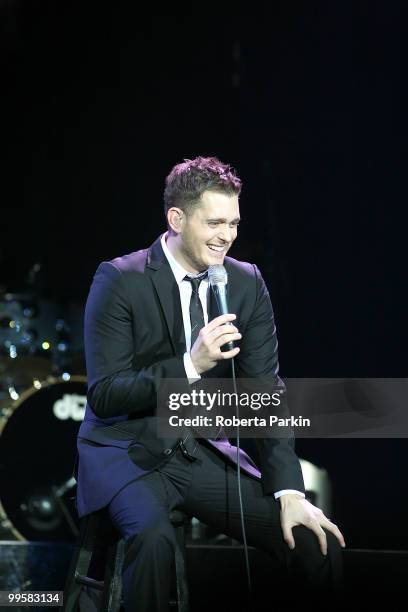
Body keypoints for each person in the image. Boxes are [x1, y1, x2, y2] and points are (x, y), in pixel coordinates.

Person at [76, 156, 345, 611]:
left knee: (315, 542)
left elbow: (265, 391)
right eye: (214, 222)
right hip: (129, 453)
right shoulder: (121, 278)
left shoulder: (245, 282)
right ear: (176, 219)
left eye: (234, 223)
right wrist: (190, 363)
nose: (227, 236)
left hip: (199, 450)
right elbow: (105, 395)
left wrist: (290, 492)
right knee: (154, 541)